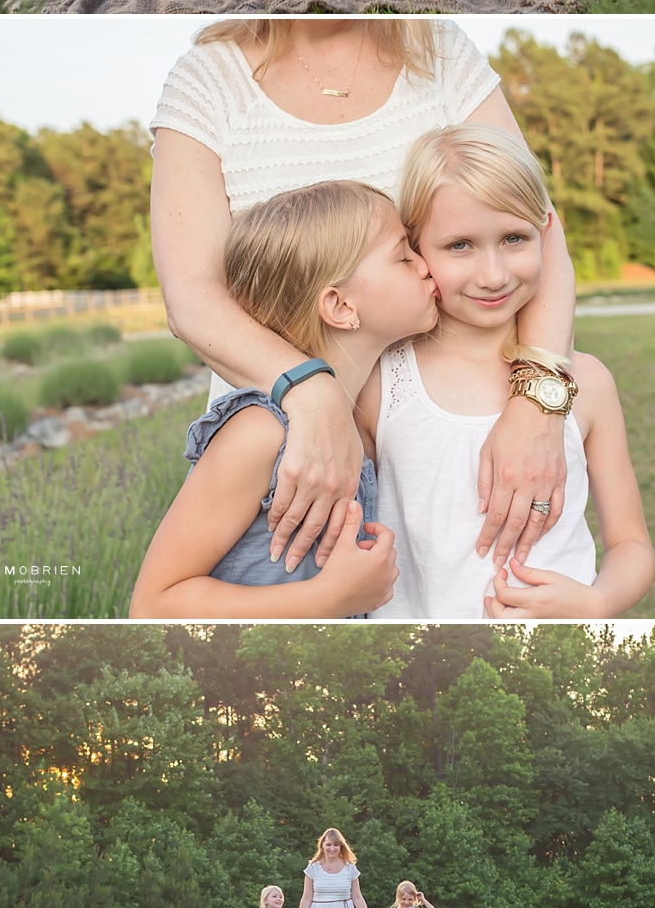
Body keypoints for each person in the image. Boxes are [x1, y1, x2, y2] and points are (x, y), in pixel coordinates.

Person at [150, 18, 577, 576]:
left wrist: (537, 406)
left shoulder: (439, 49)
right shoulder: (208, 77)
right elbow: (190, 294)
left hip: (451, 428)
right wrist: (314, 396)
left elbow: (539, 226)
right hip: (301, 453)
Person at [360, 123, 655, 620]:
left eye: (514, 238)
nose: (494, 274)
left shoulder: (590, 385)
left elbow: (631, 542)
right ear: (416, 249)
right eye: (460, 246)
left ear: (544, 233)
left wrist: (598, 600)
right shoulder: (379, 384)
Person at [129, 178, 437, 620]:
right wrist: (328, 600)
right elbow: (152, 606)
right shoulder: (261, 432)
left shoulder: (358, 424)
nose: (425, 265)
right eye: (404, 255)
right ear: (340, 307)